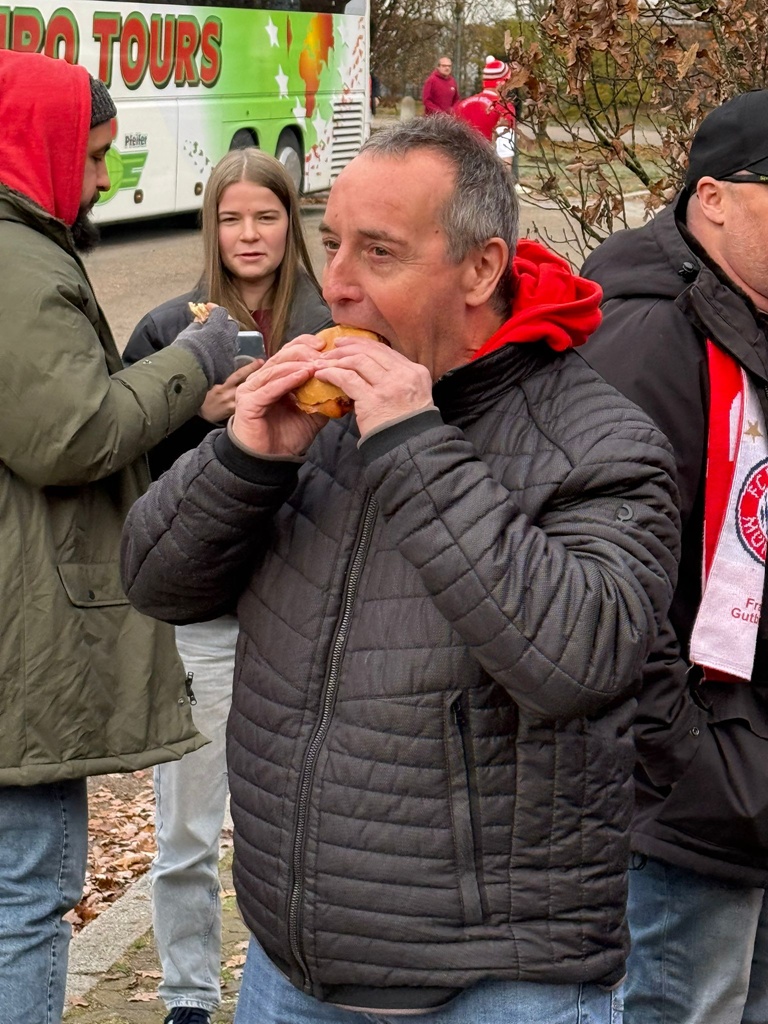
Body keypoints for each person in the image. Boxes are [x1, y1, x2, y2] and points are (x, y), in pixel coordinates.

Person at [121, 114, 680, 1024]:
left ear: (481, 269)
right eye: (333, 242)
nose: (336, 283)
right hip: (290, 970)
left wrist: (412, 442)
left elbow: (579, 663)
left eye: (378, 252)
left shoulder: (599, 441)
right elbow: (156, 582)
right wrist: (246, 458)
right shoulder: (316, 420)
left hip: (498, 984)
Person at [0, 50, 240, 1024]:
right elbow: (71, 435)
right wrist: (192, 360)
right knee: (27, 891)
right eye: (93, 155)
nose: (103, 178)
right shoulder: (19, 261)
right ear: (41, 147)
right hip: (21, 636)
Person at [122, 147, 332, 1024]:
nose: (249, 235)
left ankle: (306, 987)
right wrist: (194, 417)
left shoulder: (336, 322)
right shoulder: (170, 331)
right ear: (209, 226)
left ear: (293, 223)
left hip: (311, 613)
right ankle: (187, 996)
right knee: (187, 828)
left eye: (267, 216)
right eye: (231, 217)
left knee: (309, 825)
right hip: (207, 620)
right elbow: (133, 482)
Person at [581, 88, 768, 1024]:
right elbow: (611, 592)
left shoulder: (746, 315)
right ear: (713, 200)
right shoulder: (649, 333)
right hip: (690, 798)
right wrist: (696, 765)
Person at [454, 55, 516, 166]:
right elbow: (505, 153)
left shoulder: (462, 105)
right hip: (488, 170)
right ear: (502, 83)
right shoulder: (504, 108)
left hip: (462, 167)